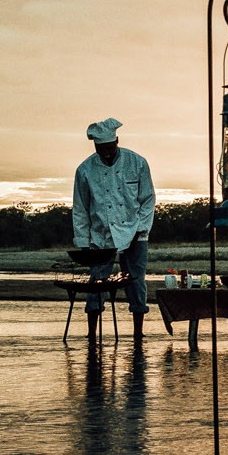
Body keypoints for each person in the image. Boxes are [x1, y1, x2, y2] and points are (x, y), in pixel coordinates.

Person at [71, 117, 156, 333]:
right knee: (97, 283)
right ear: (95, 147)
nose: (106, 152)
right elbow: (80, 209)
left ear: (116, 142)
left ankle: (139, 331)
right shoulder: (85, 170)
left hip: (135, 231)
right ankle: (92, 332)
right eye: (101, 149)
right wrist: (83, 242)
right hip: (101, 234)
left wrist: (141, 229)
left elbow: (148, 199)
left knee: (136, 281)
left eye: (109, 147)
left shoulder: (137, 162)